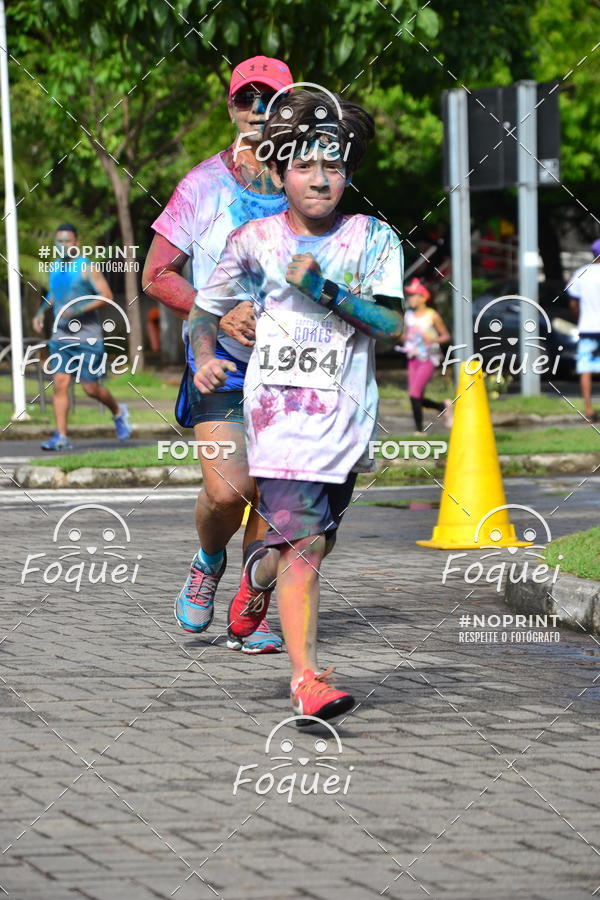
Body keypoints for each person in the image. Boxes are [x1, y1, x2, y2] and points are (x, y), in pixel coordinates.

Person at [189, 91, 404, 720]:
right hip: (277, 421)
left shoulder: (373, 238)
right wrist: (206, 352)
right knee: (304, 547)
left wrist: (324, 289)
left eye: (333, 166)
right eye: (306, 165)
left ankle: (255, 581)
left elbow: (388, 322)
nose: (320, 178)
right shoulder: (253, 240)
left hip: (344, 423)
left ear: (348, 173)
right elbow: (204, 312)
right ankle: (307, 679)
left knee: (316, 539)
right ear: (281, 172)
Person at [143, 56, 294, 654]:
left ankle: (252, 607)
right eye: (246, 99)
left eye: (271, 101)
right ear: (231, 107)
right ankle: (208, 561)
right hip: (221, 361)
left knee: (276, 492)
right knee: (229, 491)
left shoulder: (309, 181)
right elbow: (157, 274)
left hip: (293, 369)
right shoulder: (203, 185)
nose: (257, 111)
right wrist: (220, 311)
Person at [33, 224, 132, 451]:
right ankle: (61, 436)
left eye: (68, 241)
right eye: (59, 242)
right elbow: (53, 294)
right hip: (61, 336)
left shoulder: (86, 266)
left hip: (88, 337)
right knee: (60, 383)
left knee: (90, 389)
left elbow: (106, 296)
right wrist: (40, 313)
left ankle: (118, 412)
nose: (63, 246)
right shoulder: (55, 267)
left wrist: (78, 310)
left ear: (76, 243)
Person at [397, 278, 452, 433]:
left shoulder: (432, 315)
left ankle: (419, 431)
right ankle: (442, 406)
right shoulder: (408, 315)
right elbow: (405, 336)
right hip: (412, 358)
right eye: (409, 296)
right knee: (416, 396)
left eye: (414, 295)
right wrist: (400, 337)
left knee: (414, 393)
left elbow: (446, 336)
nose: (410, 299)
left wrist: (433, 339)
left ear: (423, 297)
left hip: (428, 358)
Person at [567, 238, 600, 422]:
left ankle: (588, 409)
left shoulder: (581, 273)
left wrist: (578, 315)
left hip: (587, 327)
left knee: (585, 367)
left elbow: (573, 303)